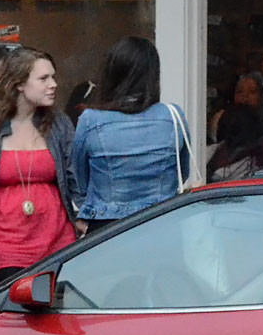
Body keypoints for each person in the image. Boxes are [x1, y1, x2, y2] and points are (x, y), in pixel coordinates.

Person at [0, 47, 79, 292]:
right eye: (43, 78)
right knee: (15, 313)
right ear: (19, 83)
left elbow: (75, 178)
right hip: (6, 247)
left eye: (53, 77)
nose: (53, 84)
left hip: (59, 243)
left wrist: (84, 218)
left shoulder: (58, 123)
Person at [71, 36, 192, 230]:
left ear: (111, 74)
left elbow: (81, 180)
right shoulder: (173, 116)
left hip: (106, 225)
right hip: (162, 221)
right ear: (153, 76)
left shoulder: (91, 120)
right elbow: (183, 172)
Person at [209, 72, 263, 182]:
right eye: (239, 92)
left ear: (261, 96)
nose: (245, 98)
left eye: (252, 92)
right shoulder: (222, 119)